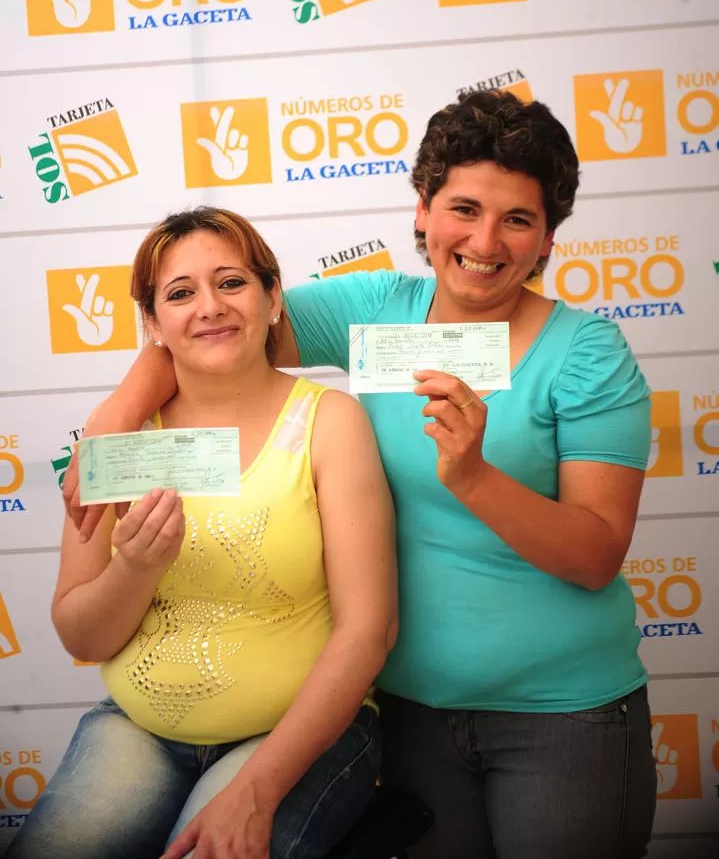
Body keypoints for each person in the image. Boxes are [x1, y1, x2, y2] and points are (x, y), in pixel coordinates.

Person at [63, 89, 656, 859]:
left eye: (518, 219)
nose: (484, 240)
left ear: (547, 238)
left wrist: (473, 475)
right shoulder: (374, 309)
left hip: (561, 716)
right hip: (409, 715)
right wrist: (107, 431)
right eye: (463, 208)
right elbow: (215, 324)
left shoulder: (586, 352)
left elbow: (596, 554)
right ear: (422, 211)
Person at [12, 207, 397, 859]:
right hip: (138, 729)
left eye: (232, 283)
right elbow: (81, 633)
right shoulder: (116, 438)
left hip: (291, 733)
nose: (210, 307)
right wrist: (135, 567)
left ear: (273, 299)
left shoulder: (331, 422)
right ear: (153, 323)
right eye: (181, 293)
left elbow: (369, 631)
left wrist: (257, 790)